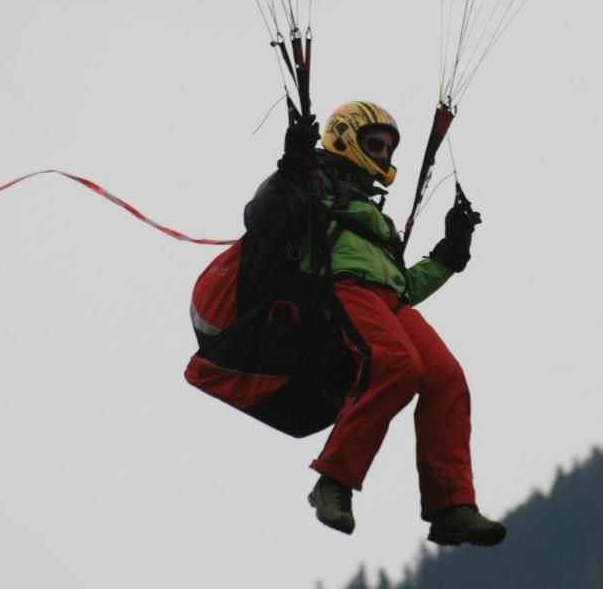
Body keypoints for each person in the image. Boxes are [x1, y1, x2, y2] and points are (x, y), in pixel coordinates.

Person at [186, 101, 505, 547]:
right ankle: (333, 480)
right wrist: (290, 169)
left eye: (388, 149)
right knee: (397, 363)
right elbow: (262, 219)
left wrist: (449, 255)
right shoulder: (311, 185)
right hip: (338, 289)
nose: (384, 155)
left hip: (387, 303)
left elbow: (401, 287)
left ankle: (451, 506)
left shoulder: (375, 219)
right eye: (375, 144)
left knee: (446, 376)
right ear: (345, 139)